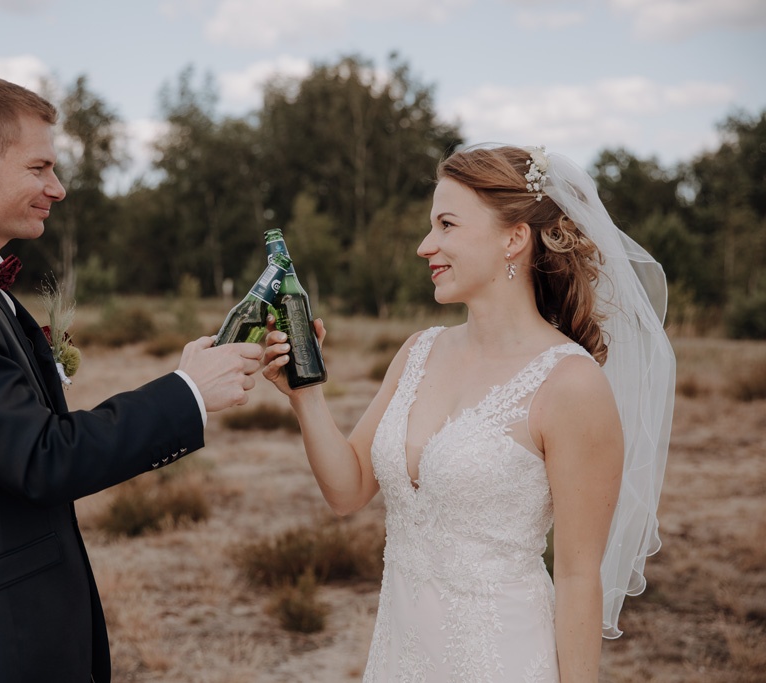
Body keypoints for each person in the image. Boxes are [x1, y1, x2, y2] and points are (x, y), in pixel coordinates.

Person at [0, 71, 264, 683]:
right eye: (40, 167)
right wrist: (189, 393)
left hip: (15, 637)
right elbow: (42, 458)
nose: (59, 187)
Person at [262, 144, 675, 682]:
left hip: (501, 660)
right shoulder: (418, 352)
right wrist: (305, 395)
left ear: (513, 238)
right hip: (400, 657)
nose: (424, 246)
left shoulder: (571, 385)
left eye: (447, 225)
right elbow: (348, 490)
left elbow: (577, 578)